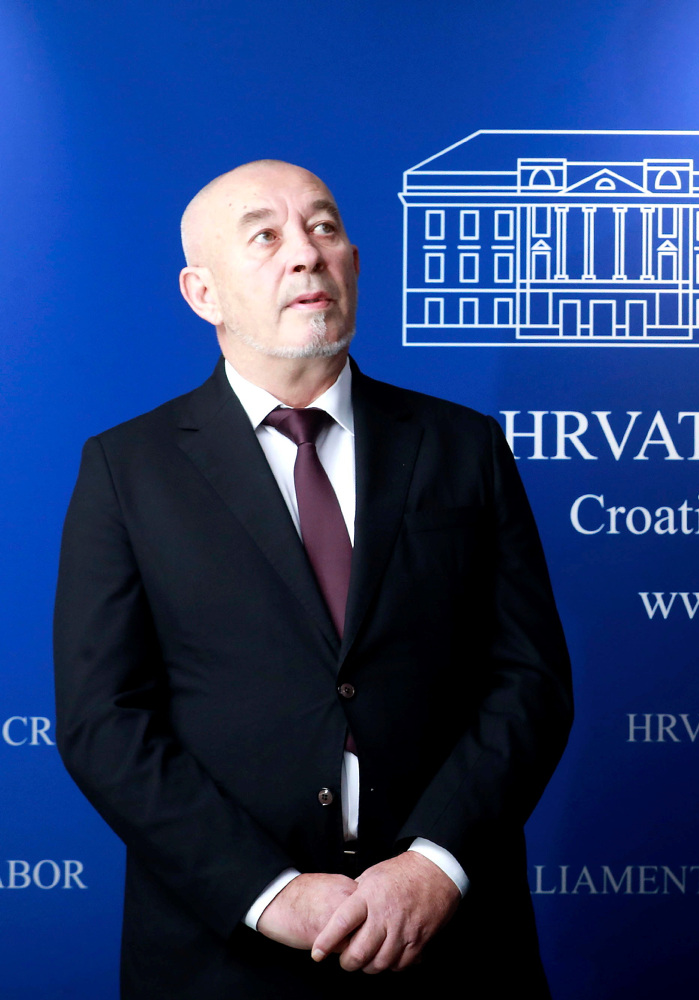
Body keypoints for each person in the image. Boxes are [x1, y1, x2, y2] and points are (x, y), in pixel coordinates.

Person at [53, 160, 572, 998]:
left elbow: (530, 682)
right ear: (202, 293)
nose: (306, 253)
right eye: (265, 236)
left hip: (455, 947)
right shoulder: (126, 469)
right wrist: (270, 894)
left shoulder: (463, 446)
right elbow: (103, 723)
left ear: (354, 266)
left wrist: (435, 864)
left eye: (324, 228)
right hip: (224, 955)